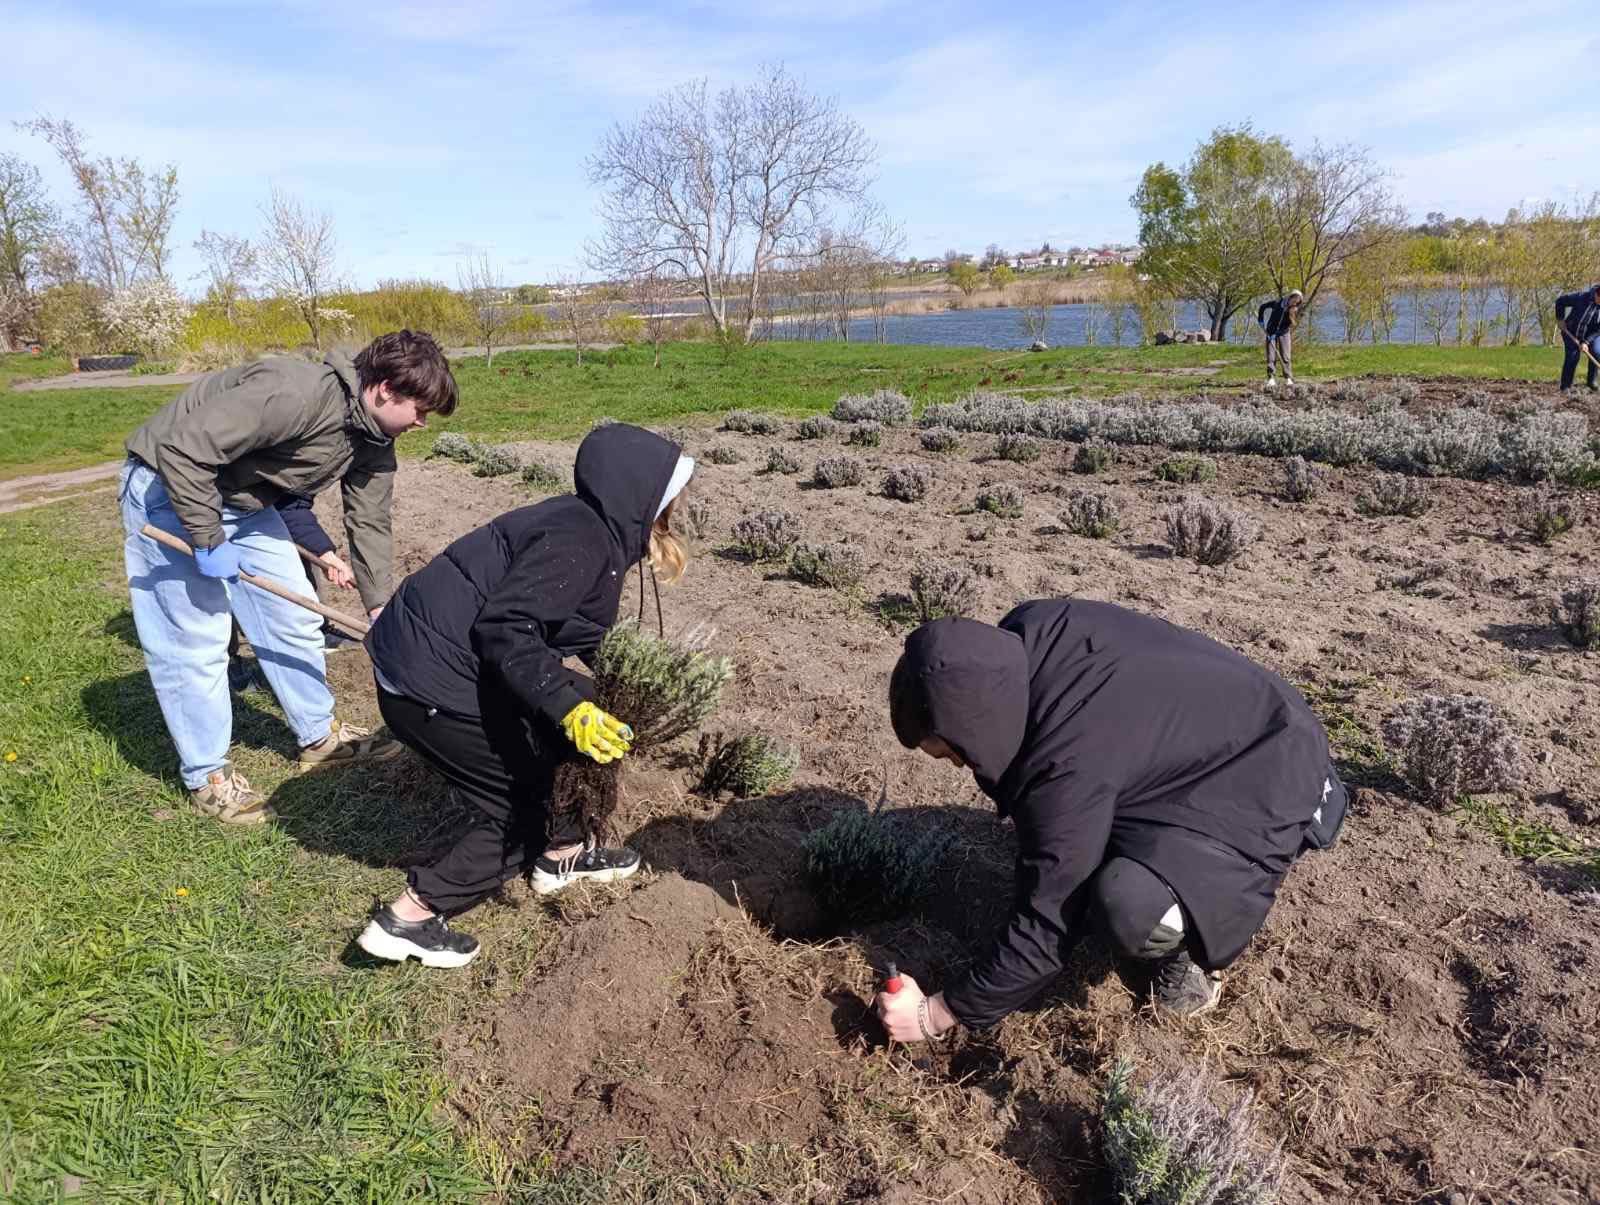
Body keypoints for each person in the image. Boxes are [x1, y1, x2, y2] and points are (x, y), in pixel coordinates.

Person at [875, 600, 1346, 1043]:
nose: (961, 766)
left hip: (1272, 768)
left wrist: (933, 1014)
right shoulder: (1025, 637)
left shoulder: (1068, 762)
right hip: (1225, 725)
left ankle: (1194, 954)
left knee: (1128, 905)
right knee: (1079, 838)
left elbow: (1047, 927)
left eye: (955, 753)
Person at [355, 423, 695, 968]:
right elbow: (507, 630)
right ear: (638, 493)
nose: (675, 507)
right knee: (523, 805)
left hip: (427, 661)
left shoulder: (586, 525)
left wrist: (618, 686)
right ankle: (411, 917)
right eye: (669, 495)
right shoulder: (581, 540)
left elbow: (570, 624)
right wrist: (569, 708)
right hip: (428, 684)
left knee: (567, 714)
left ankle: (563, 854)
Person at [119, 331, 457, 825]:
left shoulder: (375, 438)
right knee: (196, 641)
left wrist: (379, 605)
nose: (423, 423)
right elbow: (184, 449)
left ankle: (319, 736)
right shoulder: (295, 392)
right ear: (385, 390)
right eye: (420, 410)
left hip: (244, 500)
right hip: (170, 488)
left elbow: (369, 520)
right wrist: (209, 541)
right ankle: (207, 775)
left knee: (295, 615)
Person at [227, 494, 361, 694]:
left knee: (295, 544)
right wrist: (206, 535)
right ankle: (226, 658)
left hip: (265, 501)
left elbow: (290, 505)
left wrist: (323, 552)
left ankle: (318, 629)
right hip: (200, 498)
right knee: (209, 578)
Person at [1553, 283, 1600, 391]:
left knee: (1597, 352)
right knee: (1573, 356)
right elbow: (1560, 301)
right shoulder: (1581, 298)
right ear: (1597, 295)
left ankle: (1591, 382)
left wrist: (1586, 342)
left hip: (1591, 335)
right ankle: (1566, 386)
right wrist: (1560, 319)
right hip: (1571, 332)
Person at [1257, 289, 1302, 389]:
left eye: (1297, 302)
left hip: (1284, 332)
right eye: (1294, 300)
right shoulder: (1278, 303)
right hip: (1271, 331)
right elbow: (1262, 307)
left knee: (1285, 356)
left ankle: (1288, 378)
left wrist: (1277, 333)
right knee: (1271, 355)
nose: (1295, 303)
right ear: (1290, 297)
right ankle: (1271, 378)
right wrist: (1260, 320)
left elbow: (1287, 325)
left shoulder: (1294, 309)